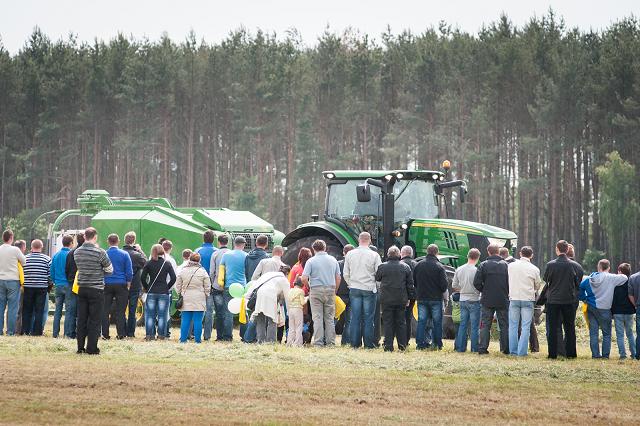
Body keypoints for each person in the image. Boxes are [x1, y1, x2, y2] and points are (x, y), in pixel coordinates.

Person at [578, 259, 627, 359]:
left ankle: (595, 355)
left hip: (591, 307)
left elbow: (580, 288)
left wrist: (584, 298)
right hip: (605, 308)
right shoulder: (611, 278)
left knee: (593, 332)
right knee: (606, 333)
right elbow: (625, 277)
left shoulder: (589, 279)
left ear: (598, 267)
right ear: (609, 268)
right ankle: (605, 355)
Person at [74, 227, 113, 354]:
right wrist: (99, 272)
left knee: (82, 319)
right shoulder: (100, 252)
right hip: (96, 289)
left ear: (84, 237)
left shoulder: (77, 252)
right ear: (95, 237)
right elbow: (110, 270)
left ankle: (80, 347)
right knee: (94, 320)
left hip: (82, 288)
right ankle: (91, 348)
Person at [543, 240, 582, 359]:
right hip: (569, 300)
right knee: (570, 327)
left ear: (557, 249)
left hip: (553, 300)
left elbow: (546, 280)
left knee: (553, 327)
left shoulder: (551, 265)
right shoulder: (575, 265)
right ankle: (571, 353)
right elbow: (577, 284)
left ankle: (552, 354)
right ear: (567, 249)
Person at [343, 232, 382, 349]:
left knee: (355, 317)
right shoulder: (375, 255)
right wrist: (376, 286)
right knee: (368, 318)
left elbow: (346, 273)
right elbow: (379, 274)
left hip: (354, 288)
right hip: (369, 288)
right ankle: (369, 344)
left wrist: (351, 284)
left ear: (359, 240)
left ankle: (355, 344)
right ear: (369, 241)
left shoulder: (350, 254)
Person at [301, 239, 341, 347]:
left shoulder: (311, 261)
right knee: (329, 318)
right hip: (330, 289)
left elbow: (304, 278)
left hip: (316, 290)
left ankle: (318, 342)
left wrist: (309, 287)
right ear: (325, 247)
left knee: (317, 318)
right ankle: (330, 342)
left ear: (313, 249)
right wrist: (335, 290)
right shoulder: (333, 260)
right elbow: (338, 277)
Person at [376, 246, 415, 352]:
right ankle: (402, 345)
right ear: (399, 255)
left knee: (388, 322)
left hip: (386, 299)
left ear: (388, 254)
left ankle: (388, 346)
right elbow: (410, 284)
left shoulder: (382, 266)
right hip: (401, 299)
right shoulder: (405, 267)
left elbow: (377, 278)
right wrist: (410, 298)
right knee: (401, 322)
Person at [473, 244, 510, 355]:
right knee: (504, 325)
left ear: (488, 252)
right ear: (498, 252)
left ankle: (482, 348)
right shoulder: (506, 265)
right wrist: (506, 291)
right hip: (502, 298)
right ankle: (505, 349)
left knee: (485, 324)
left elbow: (476, 283)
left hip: (487, 299)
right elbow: (510, 282)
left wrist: (484, 290)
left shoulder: (483, 265)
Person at [507, 246, 543, 356]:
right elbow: (538, 285)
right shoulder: (535, 269)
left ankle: (513, 351)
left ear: (520, 253)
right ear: (531, 255)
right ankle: (522, 352)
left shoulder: (511, 266)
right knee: (526, 326)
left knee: (513, 326)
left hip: (514, 297)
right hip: (528, 298)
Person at [414, 244, 448, 350]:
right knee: (437, 322)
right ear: (437, 253)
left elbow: (414, 282)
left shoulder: (418, 265)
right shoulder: (439, 267)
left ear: (427, 252)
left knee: (422, 321)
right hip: (436, 298)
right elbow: (444, 285)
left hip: (421, 297)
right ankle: (437, 344)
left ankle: (420, 343)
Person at [140, 244, 176, 340]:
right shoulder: (167, 263)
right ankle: (161, 335)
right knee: (162, 316)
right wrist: (167, 287)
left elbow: (142, 278)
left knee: (150, 315)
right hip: (163, 292)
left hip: (151, 291)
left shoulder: (148, 263)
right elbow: (173, 278)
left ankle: (149, 335)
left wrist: (147, 287)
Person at [249, 265, 291, 343]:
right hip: (271, 296)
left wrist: (247, 296)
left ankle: (260, 340)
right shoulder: (284, 280)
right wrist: (289, 311)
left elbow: (255, 284)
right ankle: (271, 341)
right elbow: (288, 297)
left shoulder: (268, 274)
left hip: (260, 294)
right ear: (287, 273)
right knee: (272, 319)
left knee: (260, 319)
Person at [102, 234, 133, 340]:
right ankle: (121, 334)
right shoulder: (124, 254)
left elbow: (101, 269)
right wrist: (128, 283)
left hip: (107, 283)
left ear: (108, 241)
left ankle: (105, 334)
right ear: (118, 241)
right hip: (121, 283)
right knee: (120, 311)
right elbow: (129, 271)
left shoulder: (104, 254)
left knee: (105, 310)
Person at [176, 252, 211, 343]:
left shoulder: (183, 270)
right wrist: (206, 294)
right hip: (199, 297)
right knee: (198, 321)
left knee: (185, 320)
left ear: (189, 259)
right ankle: (197, 340)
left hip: (186, 297)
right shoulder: (202, 271)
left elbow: (178, 284)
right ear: (199, 260)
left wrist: (180, 293)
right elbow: (207, 286)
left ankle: (183, 340)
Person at [218, 236, 248, 341]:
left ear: (234, 244)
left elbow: (221, 270)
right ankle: (244, 336)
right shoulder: (246, 256)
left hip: (229, 287)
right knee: (243, 312)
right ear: (243, 244)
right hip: (242, 287)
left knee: (228, 312)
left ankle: (227, 337)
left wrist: (221, 283)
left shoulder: (226, 255)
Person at [452, 248, 481, 353]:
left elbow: (454, 285)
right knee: (474, 326)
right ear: (477, 258)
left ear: (468, 256)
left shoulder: (459, 269)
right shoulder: (477, 270)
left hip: (462, 299)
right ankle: (474, 348)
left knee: (462, 325)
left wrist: (462, 289)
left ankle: (460, 348)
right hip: (474, 299)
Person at [21, 239, 51, 336]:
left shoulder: (25, 258)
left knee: (27, 310)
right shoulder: (47, 259)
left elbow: (22, 273)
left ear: (31, 247)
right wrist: (48, 284)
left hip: (28, 287)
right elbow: (50, 275)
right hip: (42, 287)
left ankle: (25, 330)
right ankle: (37, 332)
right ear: (41, 247)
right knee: (39, 310)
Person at [0, 229, 26, 336]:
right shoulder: (15, 250)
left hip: (0, 280)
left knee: (1, 307)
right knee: (12, 308)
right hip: (13, 281)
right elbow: (24, 261)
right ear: (11, 238)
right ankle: (10, 331)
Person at [122, 232, 147, 338]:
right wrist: (140, 250)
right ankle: (131, 333)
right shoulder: (137, 255)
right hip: (135, 285)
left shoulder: (121, 253)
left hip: (122, 285)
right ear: (134, 241)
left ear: (125, 240)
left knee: (121, 310)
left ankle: (122, 332)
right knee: (132, 311)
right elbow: (146, 263)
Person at [50, 235, 74, 338]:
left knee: (58, 310)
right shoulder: (71, 254)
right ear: (71, 243)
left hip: (58, 285)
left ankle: (55, 333)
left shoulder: (56, 255)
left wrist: (55, 281)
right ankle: (66, 333)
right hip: (68, 285)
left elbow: (51, 271)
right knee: (69, 310)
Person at [611, 263, 636, 359]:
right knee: (630, 333)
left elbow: (613, 298)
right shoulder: (631, 282)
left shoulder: (616, 284)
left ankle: (622, 355)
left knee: (620, 334)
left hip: (617, 312)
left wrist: (612, 311)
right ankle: (634, 354)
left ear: (620, 271)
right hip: (629, 311)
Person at [209, 234, 230, 341]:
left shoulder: (215, 254)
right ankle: (228, 335)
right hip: (230, 286)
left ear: (218, 242)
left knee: (219, 312)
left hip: (217, 286)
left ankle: (220, 336)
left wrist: (211, 284)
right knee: (228, 311)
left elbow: (212, 271)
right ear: (228, 242)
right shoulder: (231, 253)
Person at [64, 233, 84, 339]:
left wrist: (70, 279)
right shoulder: (87, 253)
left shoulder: (71, 253)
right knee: (83, 310)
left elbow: (66, 269)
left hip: (72, 283)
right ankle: (82, 332)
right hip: (84, 283)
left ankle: (70, 333)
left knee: (71, 310)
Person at [400, 246, 418, 348]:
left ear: (402, 253)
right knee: (408, 317)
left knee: (400, 318)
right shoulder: (416, 265)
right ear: (411, 254)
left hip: (401, 295)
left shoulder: (400, 264)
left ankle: (401, 340)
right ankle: (406, 340)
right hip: (413, 295)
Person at [337, 244, 355, 346]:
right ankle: (346, 341)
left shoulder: (338, 264)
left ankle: (328, 339)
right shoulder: (355, 265)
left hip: (339, 294)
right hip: (351, 294)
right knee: (349, 320)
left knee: (333, 318)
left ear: (343, 252)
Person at [160, 240, 178, 338]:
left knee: (157, 312)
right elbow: (174, 277)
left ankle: (158, 332)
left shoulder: (154, 258)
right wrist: (169, 288)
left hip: (156, 289)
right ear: (171, 248)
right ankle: (166, 333)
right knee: (167, 312)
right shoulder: (171, 260)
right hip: (167, 289)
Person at [287, 277, 306, 346]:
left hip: (290, 309)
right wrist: (307, 298)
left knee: (291, 327)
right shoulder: (301, 291)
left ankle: (289, 342)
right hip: (298, 309)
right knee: (298, 327)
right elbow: (302, 302)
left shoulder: (290, 290)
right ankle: (297, 343)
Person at [627, 266, 640, 360]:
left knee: (639, 332)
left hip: (639, 307)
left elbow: (630, 294)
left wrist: (635, 305)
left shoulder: (633, 277)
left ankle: (638, 354)